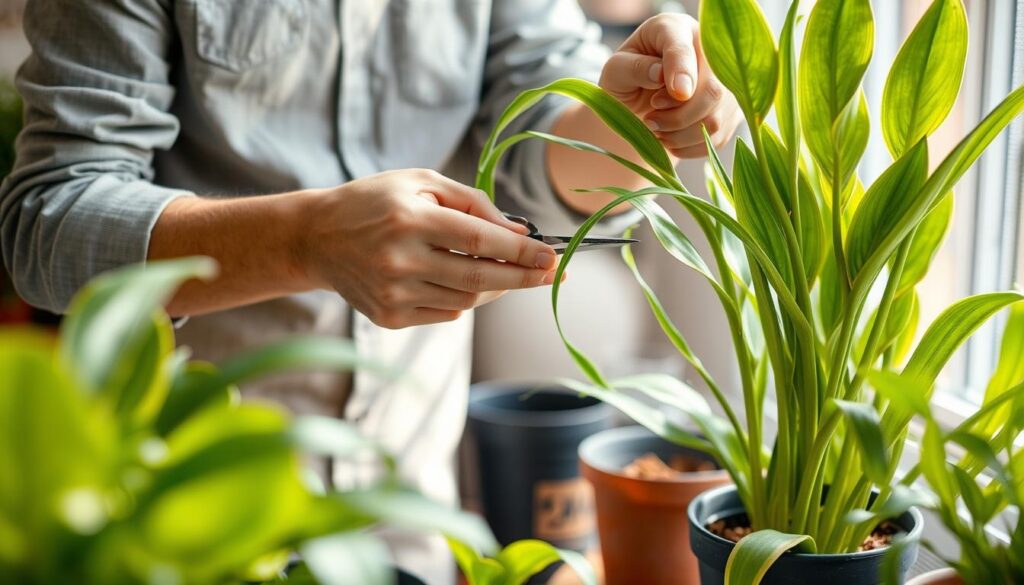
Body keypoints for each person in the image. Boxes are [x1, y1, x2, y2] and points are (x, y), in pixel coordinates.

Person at [0, 0, 740, 581]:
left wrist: (632, 118)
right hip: (185, 527)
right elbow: (49, 223)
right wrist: (304, 240)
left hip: (411, 517)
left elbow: (545, 131)